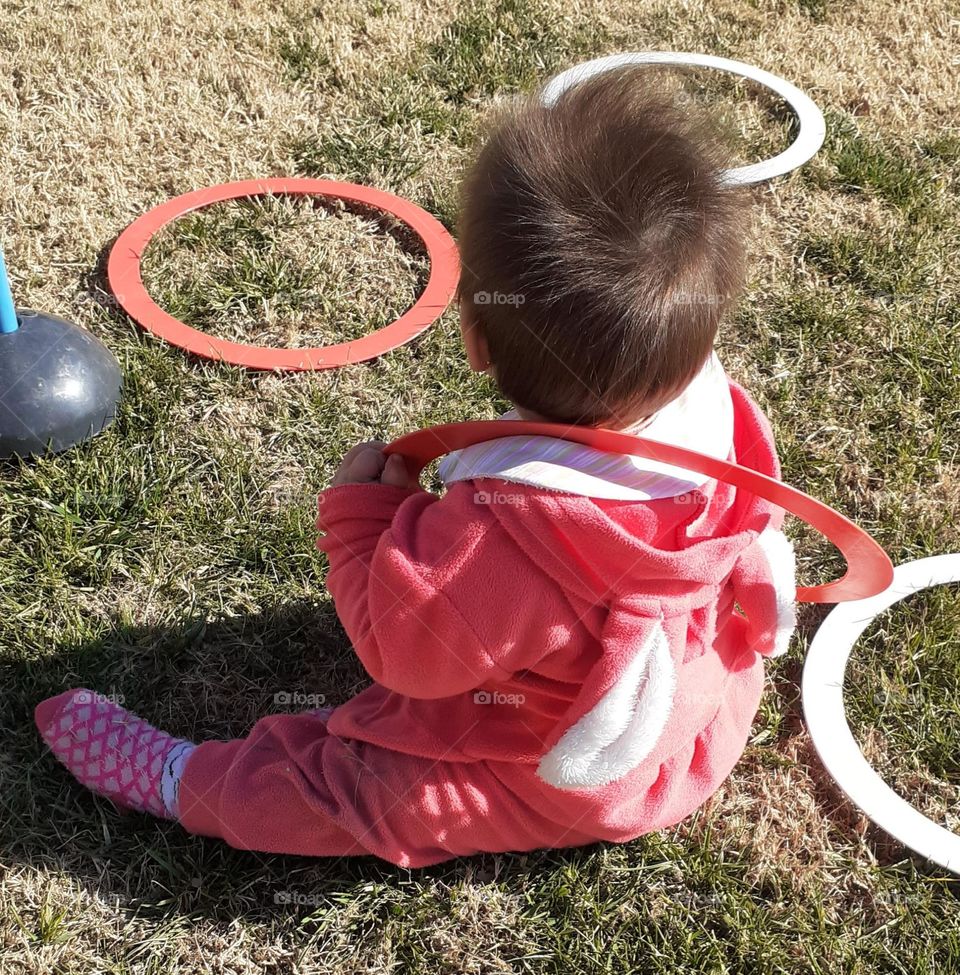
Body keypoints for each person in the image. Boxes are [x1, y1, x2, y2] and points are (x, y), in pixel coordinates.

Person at [35, 67, 795, 867]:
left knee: (359, 795)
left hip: (572, 776)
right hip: (705, 708)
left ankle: (176, 777)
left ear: (473, 334)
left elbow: (405, 652)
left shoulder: (504, 536)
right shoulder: (726, 419)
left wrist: (363, 519)